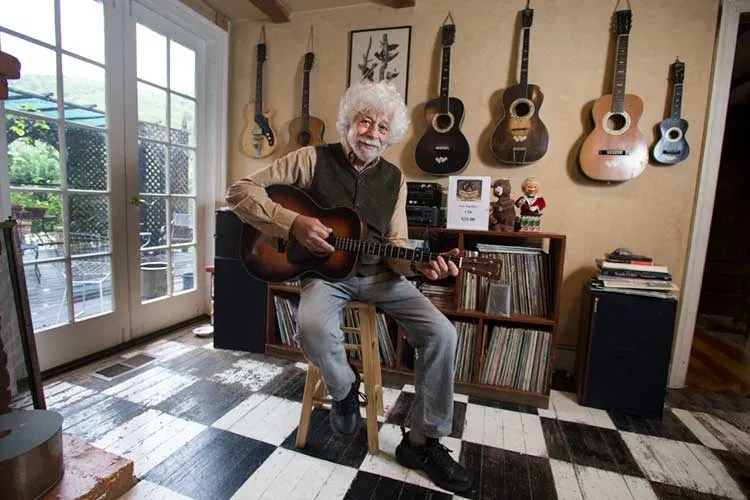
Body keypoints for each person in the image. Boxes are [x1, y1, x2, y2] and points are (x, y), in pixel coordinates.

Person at [225, 81, 471, 493]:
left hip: (382, 278)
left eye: (382, 126)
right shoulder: (309, 159)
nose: (372, 133)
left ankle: (422, 441)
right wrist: (293, 223)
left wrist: (421, 266)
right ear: (349, 123)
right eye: (365, 121)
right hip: (325, 277)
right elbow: (239, 192)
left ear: (390, 135)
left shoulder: (395, 180)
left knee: (442, 333)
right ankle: (343, 389)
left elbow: (395, 247)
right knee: (313, 327)